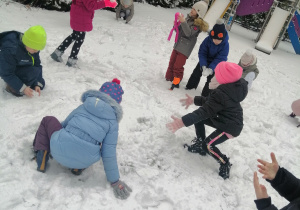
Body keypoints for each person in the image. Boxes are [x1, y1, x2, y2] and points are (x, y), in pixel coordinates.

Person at [32, 78, 132, 200]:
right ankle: (77, 167)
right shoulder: (112, 122)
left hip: (58, 149)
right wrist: (115, 181)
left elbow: (65, 125)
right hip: (85, 160)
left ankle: (41, 155)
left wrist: (54, 136)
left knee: (48, 120)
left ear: (99, 93)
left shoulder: (84, 106)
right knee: (95, 145)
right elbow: (108, 154)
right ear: (117, 102)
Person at [166, 62, 248, 179]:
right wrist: (195, 100)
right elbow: (211, 103)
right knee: (200, 120)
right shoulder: (227, 90)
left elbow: (204, 111)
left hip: (230, 127)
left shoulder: (222, 93)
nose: (214, 76)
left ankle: (224, 162)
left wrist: (182, 122)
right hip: (222, 119)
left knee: (208, 146)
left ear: (223, 78)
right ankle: (200, 144)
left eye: (217, 75)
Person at [50, 0, 118, 67]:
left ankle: (58, 52)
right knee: (79, 39)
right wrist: (105, 3)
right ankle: (72, 60)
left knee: (74, 35)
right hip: (81, 17)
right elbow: (91, 5)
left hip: (78, 14)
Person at [165, 0, 209, 90]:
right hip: (177, 45)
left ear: (199, 13)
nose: (191, 10)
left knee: (178, 66)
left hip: (184, 49)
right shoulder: (188, 19)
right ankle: (168, 78)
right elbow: (180, 31)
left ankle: (176, 82)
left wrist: (183, 22)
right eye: (192, 8)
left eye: (194, 9)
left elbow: (188, 33)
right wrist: (176, 26)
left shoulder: (197, 25)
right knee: (172, 62)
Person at [185, 19, 229, 97]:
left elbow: (221, 58)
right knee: (196, 73)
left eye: (218, 40)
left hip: (216, 64)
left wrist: (211, 68)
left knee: (211, 80)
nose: (215, 41)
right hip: (205, 60)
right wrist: (203, 65)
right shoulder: (207, 40)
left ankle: (206, 95)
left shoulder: (225, 45)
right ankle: (190, 87)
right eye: (214, 39)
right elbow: (202, 52)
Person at [0, 25, 47, 97]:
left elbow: (37, 65)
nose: (36, 51)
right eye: (34, 49)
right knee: (19, 89)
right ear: (27, 42)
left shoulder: (33, 47)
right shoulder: (11, 49)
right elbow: (6, 73)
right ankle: (10, 86)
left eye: (38, 49)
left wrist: (37, 83)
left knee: (40, 82)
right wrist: (22, 88)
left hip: (20, 64)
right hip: (9, 67)